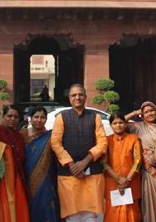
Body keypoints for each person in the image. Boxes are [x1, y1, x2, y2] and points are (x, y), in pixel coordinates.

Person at [51, 83, 108, 222]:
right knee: (72, 215)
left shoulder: (95, 117)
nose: (77, 97)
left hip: (92, 172)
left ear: (86, 97)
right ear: (69, 99)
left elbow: (102, 143)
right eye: (74, 95)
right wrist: (71, 164)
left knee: (91, 215)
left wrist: (84, 162)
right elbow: (55, 143)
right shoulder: (61, 117)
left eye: (80, 95)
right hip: (69, 174)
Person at [125, 102, 156, 222]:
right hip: (150, 173)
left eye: (151, 110)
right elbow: (120, 121)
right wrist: (135, 113)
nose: (149, 114)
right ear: (142, 115)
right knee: (151, 206)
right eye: (146, 112)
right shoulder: (138, 127)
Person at [21, 106, 60, 222]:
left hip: (47, 180)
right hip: (26, 179)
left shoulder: (51, 136)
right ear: (30, 119)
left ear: (46, 119)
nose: (39, 120)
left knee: (46, 208)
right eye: (36, 117)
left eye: (42, 117)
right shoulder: (22, 135)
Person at [101, 111, 142, 222]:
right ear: (110, 126)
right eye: (115, 123)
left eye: (121, 122)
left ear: (125, 124)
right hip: (112, 184)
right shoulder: (106, 141)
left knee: (132, 216)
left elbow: (138, 161)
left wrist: (127, 180)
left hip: (131, 182)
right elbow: (104, 162)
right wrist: (118, 179)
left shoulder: (134, 139)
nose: (118, 125)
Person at [0, 105, 31, 222]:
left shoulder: (19, 136)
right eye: (9, 116)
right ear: (2, 116)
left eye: (16, 117)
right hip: (2, 181)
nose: (12, 119)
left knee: (19, 212)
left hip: (18, 180)